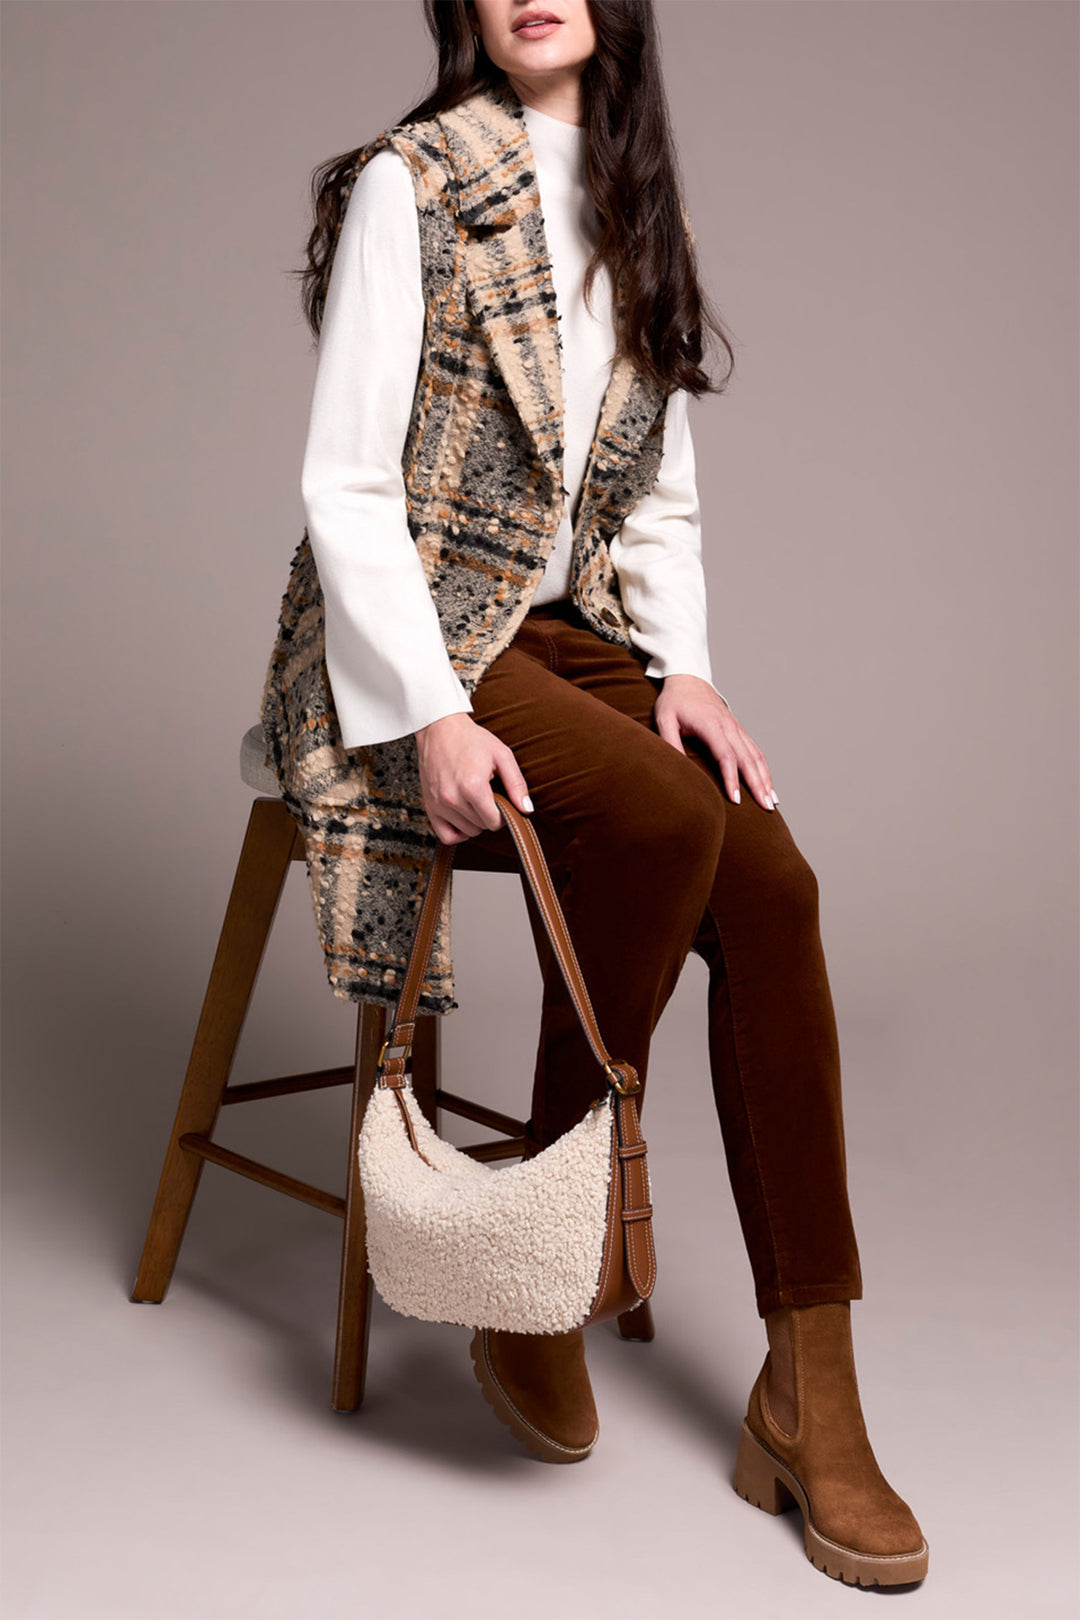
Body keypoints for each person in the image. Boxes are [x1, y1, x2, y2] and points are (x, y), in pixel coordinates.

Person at [282, 0, 928, 1590]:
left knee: (774, 886)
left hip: (572, 632)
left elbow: (663, 493)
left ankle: (812, 1393)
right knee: (660, 821)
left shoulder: (645, 206)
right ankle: (540, 1266)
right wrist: (428, 709)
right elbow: (347, 487)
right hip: (417, 622)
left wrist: (686, 667)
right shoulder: (412, 181)